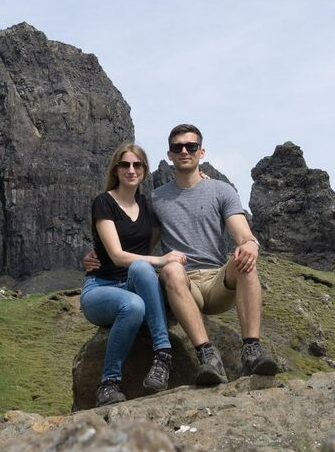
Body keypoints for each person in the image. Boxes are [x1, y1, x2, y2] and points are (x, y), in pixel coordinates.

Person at [85, 124, 277, 386]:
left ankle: (252, 350)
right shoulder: (155, 199)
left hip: (217, 281)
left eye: (191, 146)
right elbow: (140, 244)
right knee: (171, 269)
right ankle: (208, 356)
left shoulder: (221, 191)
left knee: (245, 260)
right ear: (169, 155)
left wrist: (251, 243)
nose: (184, 151)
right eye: (178, 147)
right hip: (182, 283)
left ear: (202, 151)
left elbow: (242, 233)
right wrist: (97, 256)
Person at [81, 142, 187, 407]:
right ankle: (109, 382)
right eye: (125, 164)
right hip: (101, 287)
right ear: (116, 169)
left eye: (137, 165)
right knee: (133, 304)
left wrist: (203, 181)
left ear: (144, 170)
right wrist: (160, 260)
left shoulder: (147, 205)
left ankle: (162, 355)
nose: (131, 170)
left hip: (131, 282)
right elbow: (117, 256)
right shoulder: (103, 202)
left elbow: (182, 196)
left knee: (141, 268)